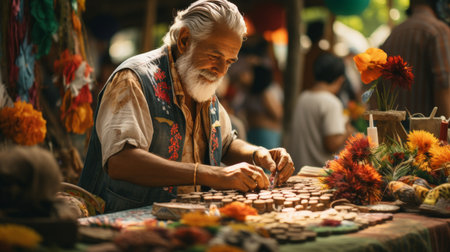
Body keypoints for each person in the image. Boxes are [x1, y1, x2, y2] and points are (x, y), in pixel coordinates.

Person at [78, 0, 294, 213]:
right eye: (214, 56)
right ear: (184, 40)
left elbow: (225, 144)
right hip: (122, 220)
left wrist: (258, 154)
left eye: (229, 61)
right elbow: (120, 161)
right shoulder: (133, 79)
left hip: (187, 219)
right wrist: (211, 174)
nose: (220, 70)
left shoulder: (198, 78)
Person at [380, 0, 450, 118]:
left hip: (393, 130)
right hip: (427, 132)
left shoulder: (393, 35)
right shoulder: (438, 31)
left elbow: (379, 87)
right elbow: (443, 86)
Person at [287, 53, 354, 174]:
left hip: (298, 169)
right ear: (340, 80)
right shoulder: (331, 102)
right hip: (318, 173)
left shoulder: (303, 97)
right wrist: (347, 130)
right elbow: (331, 144)